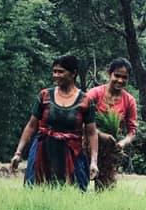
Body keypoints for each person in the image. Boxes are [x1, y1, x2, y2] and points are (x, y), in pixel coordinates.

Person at [11, 55, 99, 190]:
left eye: (61, 72)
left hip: (72, 152)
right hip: (43, 151)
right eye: (54, 71)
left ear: (73, 73)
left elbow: (91, 132)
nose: (56, 75)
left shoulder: (86, 101)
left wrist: (93, 161)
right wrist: (18, 153)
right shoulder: (44, 95)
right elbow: (32, 125)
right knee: (37, 189)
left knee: (73, 191)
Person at [86, 57, 138, 190]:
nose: (120, 80)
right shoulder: (94, 94)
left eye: (124, 77)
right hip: (86, 144)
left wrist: (123, 143)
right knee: (78, 186)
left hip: (110, 149)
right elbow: (80, 120)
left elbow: (132, 131)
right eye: (117, 75)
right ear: (109, 73)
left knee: (105, 190)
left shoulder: (129, 100)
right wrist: (100, 134)